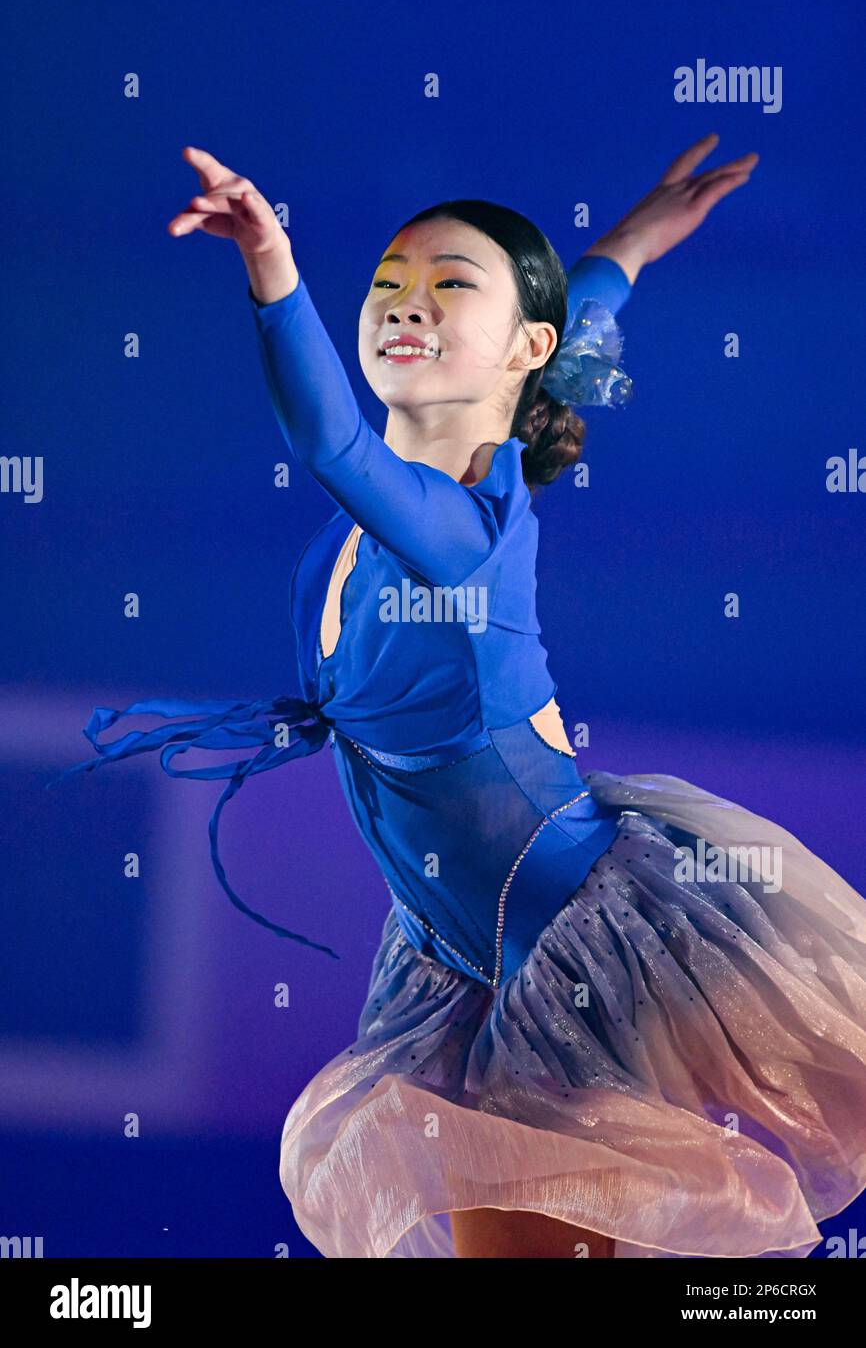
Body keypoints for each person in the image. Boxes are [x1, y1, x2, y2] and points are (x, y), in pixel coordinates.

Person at [52, 135, 866, 1259]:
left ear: (520, 350)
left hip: (574, 949)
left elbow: (330, 440)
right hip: (459, 959)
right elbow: (561, 319)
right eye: (386, 285)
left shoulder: (457, 537)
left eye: (446, 288)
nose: (402, 304)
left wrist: (271, 264)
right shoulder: (406, 509)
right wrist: (630, 241)